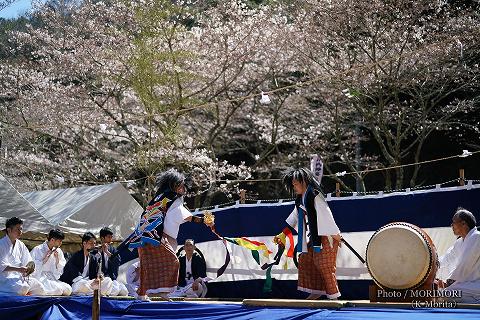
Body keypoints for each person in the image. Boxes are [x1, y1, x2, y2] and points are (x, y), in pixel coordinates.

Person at [128, 169, 212, 301]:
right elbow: (185, 216)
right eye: (181, 185)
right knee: (173, 261)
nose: (183, 188)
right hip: (156, 236)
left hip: (143, 235)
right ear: (174, 185)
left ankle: (143, 294)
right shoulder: (172, 198)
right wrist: (203, 221)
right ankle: (161, 292)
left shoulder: (157, 198)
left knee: (147, 265)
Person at [274, 168, 342, 300]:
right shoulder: (300, 200)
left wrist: (336, 235)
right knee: (306, 261)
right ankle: (317, 291)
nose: (294, 187)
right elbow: (294, 218)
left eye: (295, 184)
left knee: (324, 265)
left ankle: (333, 297)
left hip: (327, 236)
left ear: (303, 181)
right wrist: (283, 234)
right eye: (292, 184)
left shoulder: (315, 195)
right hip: (314, 237)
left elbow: (326, 216)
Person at [437, 207, 480, 303]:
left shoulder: (476, 237)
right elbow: (448, 257)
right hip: (469, 284)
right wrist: (434, 264)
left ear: (463, 223)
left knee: (445, 294)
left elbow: (466, 265)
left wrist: (450, 280)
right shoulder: (460, 242)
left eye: (453, 222)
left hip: (477, 283)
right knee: (443, 294)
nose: (451, 225)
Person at [0, 217, 43, 295]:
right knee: (22, 288)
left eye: (21, 229)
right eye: (18, 229)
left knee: (40, 288)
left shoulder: (21, 244)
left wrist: (29, 269)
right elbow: (1, 266)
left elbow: (28, 261)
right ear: (9, 230)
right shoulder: (1, 244)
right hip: (4, 278)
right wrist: (18, 269)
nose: (20, 232)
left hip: (19, 277)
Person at [30, 229, 72, 295]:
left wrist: (57, 260)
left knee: (68, 289)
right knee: (57, 290)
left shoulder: (58, 251)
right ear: (52, 240)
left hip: (52, 278)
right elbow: (31, 267)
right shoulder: (38, 249)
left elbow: (60, 269)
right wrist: (43, 260)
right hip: (40, 277)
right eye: (59, 241)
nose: (61, 243)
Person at [99, 227, 128, 296]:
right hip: (99, 279)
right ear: (102, 238)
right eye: (108, 237)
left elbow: (117, 261)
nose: (110, 239)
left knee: (124, 291)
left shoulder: (113, 250)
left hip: (110, 279)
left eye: (111, 237)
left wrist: (107, 252)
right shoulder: (96, 250)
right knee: (112, 289)